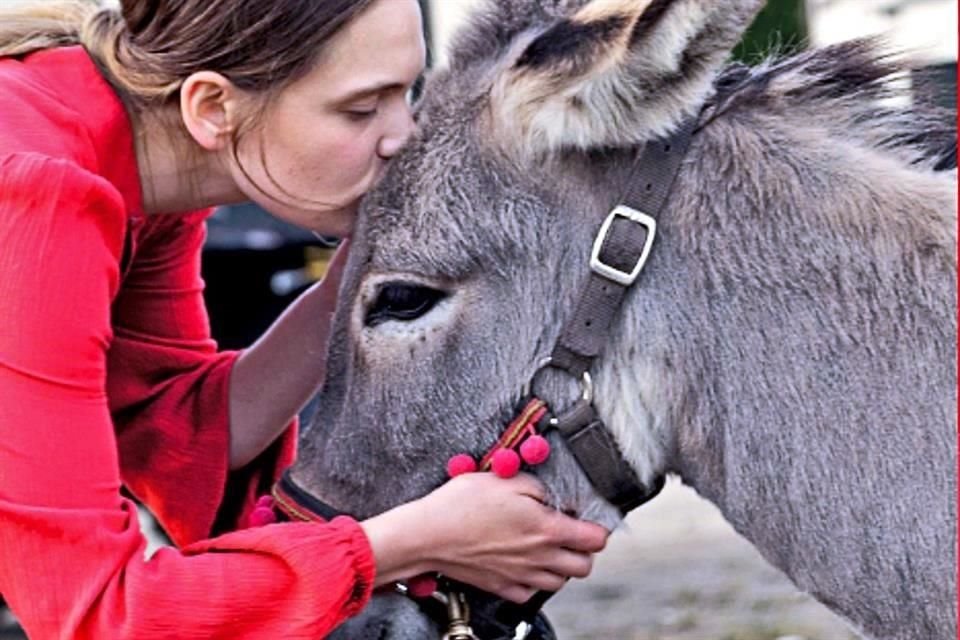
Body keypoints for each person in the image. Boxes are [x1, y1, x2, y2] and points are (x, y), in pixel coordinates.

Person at [0, 0, 610, 638]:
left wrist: (352, 285)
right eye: (360, 108)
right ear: (211, 108)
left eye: (407, 92)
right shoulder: (32, 202)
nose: (402, 138)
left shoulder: (137, 160)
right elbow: (99, 613)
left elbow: (171, 433)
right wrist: (413, 541)